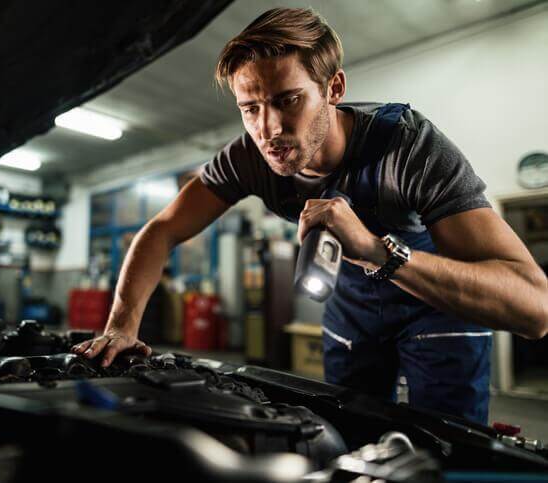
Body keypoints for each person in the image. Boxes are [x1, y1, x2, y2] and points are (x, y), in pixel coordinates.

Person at [72, 8, 548, 423]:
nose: (269, 129)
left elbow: (534, 308)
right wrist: (120, 324)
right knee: (349, 435)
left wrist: (378, 252)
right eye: (250, 108)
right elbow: (162, 231)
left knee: (445, 446)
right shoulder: (245, 160)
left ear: (333, 87)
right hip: (351, 308)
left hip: (437, 305)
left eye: (288, 100)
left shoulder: (408, 148)